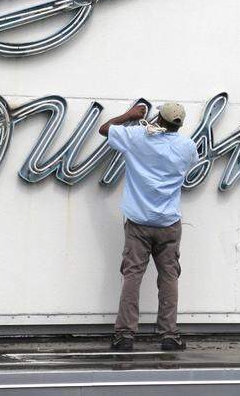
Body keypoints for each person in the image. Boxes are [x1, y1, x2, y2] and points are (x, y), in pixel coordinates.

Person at [98, 101, 196, 352]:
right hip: (168, 223)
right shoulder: (186, 146)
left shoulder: (138, 137)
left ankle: (125, 335)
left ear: (159, 119)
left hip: (139, 222)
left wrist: (129, 115)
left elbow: (105, 129)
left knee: (132, 276)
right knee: (169, 278)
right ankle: (169, 335)